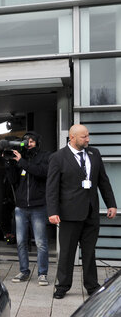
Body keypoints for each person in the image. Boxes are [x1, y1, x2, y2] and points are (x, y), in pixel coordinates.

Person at [47, 124, 117, 299]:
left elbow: (103, 181)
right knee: (67, 253)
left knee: (89, 251)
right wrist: (52, 211)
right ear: (72, 137)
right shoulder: (58, 157)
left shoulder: (94, 154)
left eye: (87, 136)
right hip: (69, 214)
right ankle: (62, 286)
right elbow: (52, 187)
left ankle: (92, 286)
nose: (88, 139)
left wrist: (111, 204)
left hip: (91, 213)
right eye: (84, 137)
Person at [5, 131, 50, 286]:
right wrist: (10, 164)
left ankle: (42, 273)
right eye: (26, 141)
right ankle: (24, 271)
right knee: (20, 241)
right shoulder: (20, 159)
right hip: (21, 207)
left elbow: (41, 172)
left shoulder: (45, 156)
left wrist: (22, 162)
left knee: (40, 242)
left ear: (37, 142)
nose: (28, 144)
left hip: (38, 206)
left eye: (32, 141)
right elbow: (13, 181)